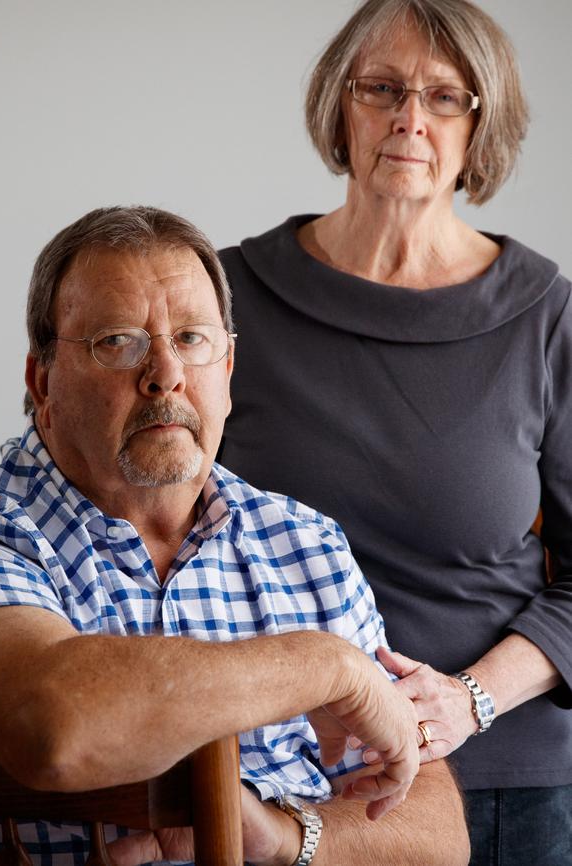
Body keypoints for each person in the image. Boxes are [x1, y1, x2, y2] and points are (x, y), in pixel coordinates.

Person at [0, 205, 468, 866]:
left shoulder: (306, 544)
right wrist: (331, 667)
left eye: (192, 339)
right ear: (43, 381)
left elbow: (437, 832)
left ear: (229, 371)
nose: (165, 374)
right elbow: (55, 726)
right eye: (118, 341)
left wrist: (282, 837)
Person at [217, 1, 572, 864]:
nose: (411, 118)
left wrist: (468, 700)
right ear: (342, 105)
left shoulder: (546, 316)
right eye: (383, 87)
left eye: (446, 98)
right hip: (271, 779)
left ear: (480, 125)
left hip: (500, 786)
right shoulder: (227, 297)